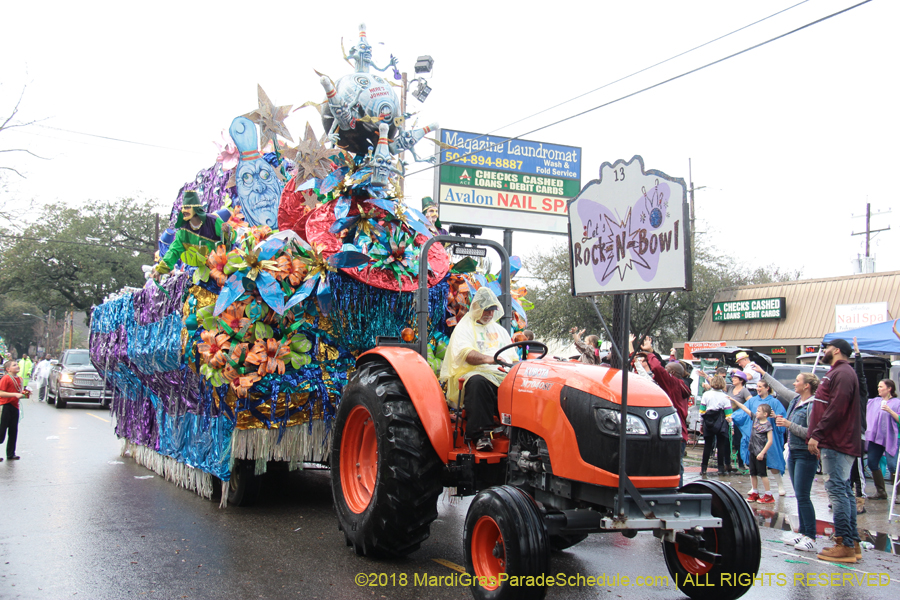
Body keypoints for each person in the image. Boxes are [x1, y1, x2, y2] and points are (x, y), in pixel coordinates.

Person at [439, 288, 518, 451]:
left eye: (492, 310)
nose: (489, 314)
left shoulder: (500, 331)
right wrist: (490, 359)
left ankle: (519, 430)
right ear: (477, 308)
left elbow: (513, 356)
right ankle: (481, 435)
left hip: (501, 373)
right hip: (473, 372)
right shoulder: (465, 328)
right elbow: (466, 354)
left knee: (523, 383)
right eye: (486, 309)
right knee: (478, 382)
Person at [807, 338, 862, 564]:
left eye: (827, 348)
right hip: (838, 441)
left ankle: (845, 544)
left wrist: (817, 434)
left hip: (836, 442)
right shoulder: (841, 373)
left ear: (837, 350)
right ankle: (852, 541)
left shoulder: (842, 373)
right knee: (845, 491)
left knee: (838, 492)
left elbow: (837, 408)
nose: (825, 351)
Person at [775, 373, 820, 552]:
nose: (794, 383)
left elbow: (811, 432)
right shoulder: (796, 401)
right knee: (799, 495)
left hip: (805, 453)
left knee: (803, 495)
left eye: (798, 381)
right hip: (793, 451)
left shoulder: (812, 405)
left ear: (807, 385)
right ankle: (802, 532)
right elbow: (780, 389)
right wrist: (762, 373)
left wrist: (788, 424)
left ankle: (811, 536)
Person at [640, 337, 691, 485]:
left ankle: (676, 490)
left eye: (667, 371)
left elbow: (657, 368)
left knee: (675, 466)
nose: (663, 373)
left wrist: (650, 352)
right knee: (675, 464)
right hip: (680, 433)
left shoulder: (672, 383)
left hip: (674, 433)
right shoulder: (680, 385)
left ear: (672, 374)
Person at [154, 191, 231, 278]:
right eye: (182, 208)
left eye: (186, 207)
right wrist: (160, 270)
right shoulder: (183, 231)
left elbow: (229, 240)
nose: (183, 211)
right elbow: (174, 251)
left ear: (195, 208)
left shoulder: (213, 221)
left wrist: (227, 231)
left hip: (219, 271)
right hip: (198, 275)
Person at [731, 378, 787, 492]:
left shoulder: (775, 402)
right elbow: (744, 411)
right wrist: (731, 417)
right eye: (757, 386)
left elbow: (782, 418)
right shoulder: (752, 401)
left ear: (767, 388)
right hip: (755, 436)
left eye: (761, 386)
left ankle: (780, 485)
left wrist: (776, 417)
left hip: (770, 435)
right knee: (754, 464)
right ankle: (754, 487)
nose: (758, 388)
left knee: (773, 461)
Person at [732, 401, 775, 503]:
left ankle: (768, 494)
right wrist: (734, 401)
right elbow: (744, 408)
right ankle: (755, 492)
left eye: (759, 411)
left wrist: (762, 453)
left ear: (765, 414)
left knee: (763, 474)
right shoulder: (755, 419)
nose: (757, 412)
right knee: (753, 473)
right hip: (752, 451)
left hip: (760, 453)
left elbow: (770, 441)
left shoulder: (768, 426)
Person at [865, 379, 900, 500]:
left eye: (881, 387)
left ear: (889, 388)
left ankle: (898, 495)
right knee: (872, 462)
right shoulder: (874, 402)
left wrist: (890, 411)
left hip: (892, 437)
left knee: (893, 466)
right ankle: (881, 492)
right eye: (878, 387)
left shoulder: (897, 403)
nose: (878, 389)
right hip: (876, 438)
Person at [699, 375, 733, 476]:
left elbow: (702, 411)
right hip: (721, 421)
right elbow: (729, 414)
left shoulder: (706, 395)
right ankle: (721, 469)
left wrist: (702, 423)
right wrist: (731, 426)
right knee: (721, 445)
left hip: (708, 421)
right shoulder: (725, 396)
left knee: (707, 445)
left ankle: (703, 468)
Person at [0, 359, 29, 461]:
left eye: (17, 364)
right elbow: (1, 392)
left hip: (15, 406)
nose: (17, 366)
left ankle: (11, 453)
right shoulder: (5, 379)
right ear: (8, 369)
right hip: (5, 406)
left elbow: (19, 390)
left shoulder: (20, 379)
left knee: (13, 431)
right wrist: (14, 394)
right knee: (1, 431)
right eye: (14, 365)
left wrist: (25, 393)